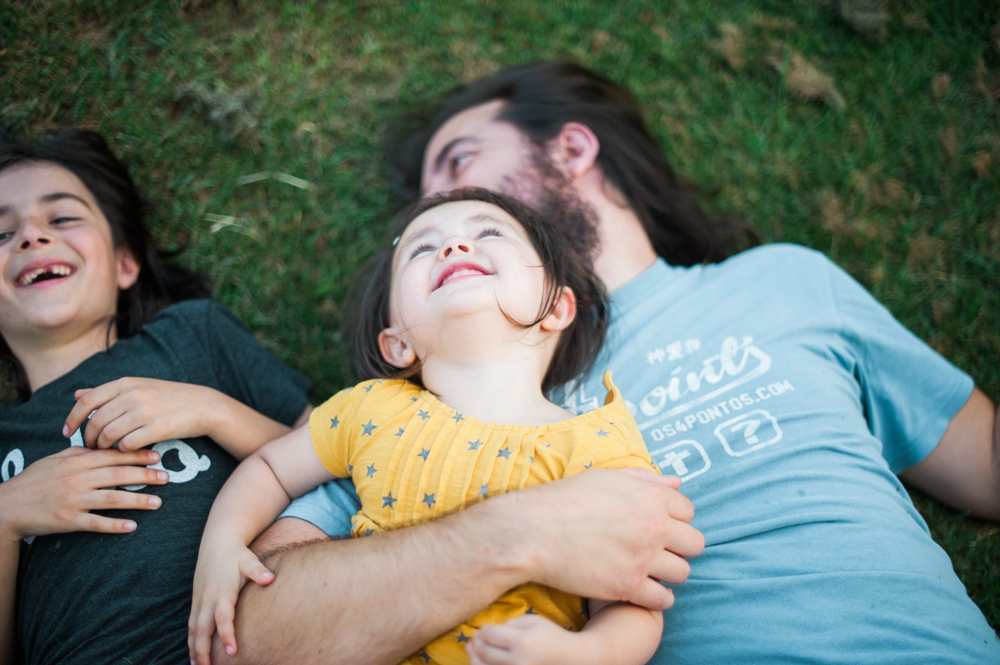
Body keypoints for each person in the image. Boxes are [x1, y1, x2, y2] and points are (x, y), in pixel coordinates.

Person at [223, 62, 1000, 664]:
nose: (443, 218)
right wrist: (511, 534)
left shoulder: (785, 281)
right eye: (422, 222)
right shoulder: (427, 390)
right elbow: (249, 638)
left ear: (571, 147)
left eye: (460, 162)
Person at [189, 188, 665, 665]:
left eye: (490, 232)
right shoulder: (372, 408)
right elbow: (271, 468)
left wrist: (583, 652)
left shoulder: (599, 444)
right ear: (397, 343)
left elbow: (633, 600)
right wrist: (222, 544)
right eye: (421, 249)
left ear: (557, 307)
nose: (454, 246)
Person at [0, 129, 311, 665]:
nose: (31, 236)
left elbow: (341, 457)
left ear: (125, 262)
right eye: (1, 233)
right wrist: (6, 515)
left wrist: (215, 411)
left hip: (255, 626)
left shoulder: (191, 337)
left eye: (63, 217)